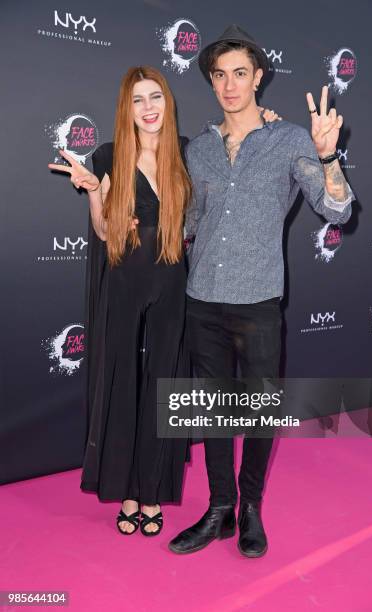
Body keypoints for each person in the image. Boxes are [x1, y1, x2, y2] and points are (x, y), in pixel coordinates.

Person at [168, 25, 355, 557]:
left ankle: (250, 508)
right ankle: (219, 507)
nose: (230, 85)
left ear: (259, 78)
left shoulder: (291, 139)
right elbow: (189, 222)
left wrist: (327, 155)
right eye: (220, 75)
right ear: (210, 81)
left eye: (240, 74)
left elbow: (336, 207)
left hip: (258, 304)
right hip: (202, 298)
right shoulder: (199, 150)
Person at [48, 66, 192, 537]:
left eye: (155, 97)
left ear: (167, 101)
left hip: (172, 279)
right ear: (125, 108)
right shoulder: (110, 154)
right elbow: (105, 231)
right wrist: (94, 193)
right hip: (125, 279)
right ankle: (126, 490)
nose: (148, 108)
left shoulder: (186, 153)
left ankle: (152, 489)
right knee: (121, 381)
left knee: (164, 383)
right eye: (137, 100)